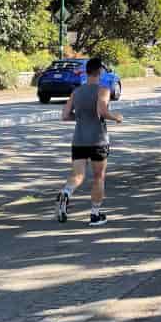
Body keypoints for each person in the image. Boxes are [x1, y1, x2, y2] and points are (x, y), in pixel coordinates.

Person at [56, 57, 123, 226]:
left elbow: (64, 116)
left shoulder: (76, 92)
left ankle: (66, 192)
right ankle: (95, 214)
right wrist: (116, 117)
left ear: (87, 72)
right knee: (99, 177)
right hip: (97, 140)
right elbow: (101, 110)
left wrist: (79, 117)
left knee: (77, 175)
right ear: (100, 71)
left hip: (79, 140)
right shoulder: (103, 89)